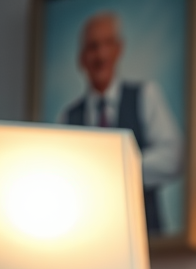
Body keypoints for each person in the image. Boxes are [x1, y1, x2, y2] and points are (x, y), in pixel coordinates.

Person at [57, 11, 183, 236]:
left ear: (118, 49)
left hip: (146, 238)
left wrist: (119, 169)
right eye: (93, 47)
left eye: (107, 44)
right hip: (91, 241)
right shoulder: (68, 118)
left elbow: (173, 158)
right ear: (82, 58)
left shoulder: (145, 96)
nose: (101, 55)